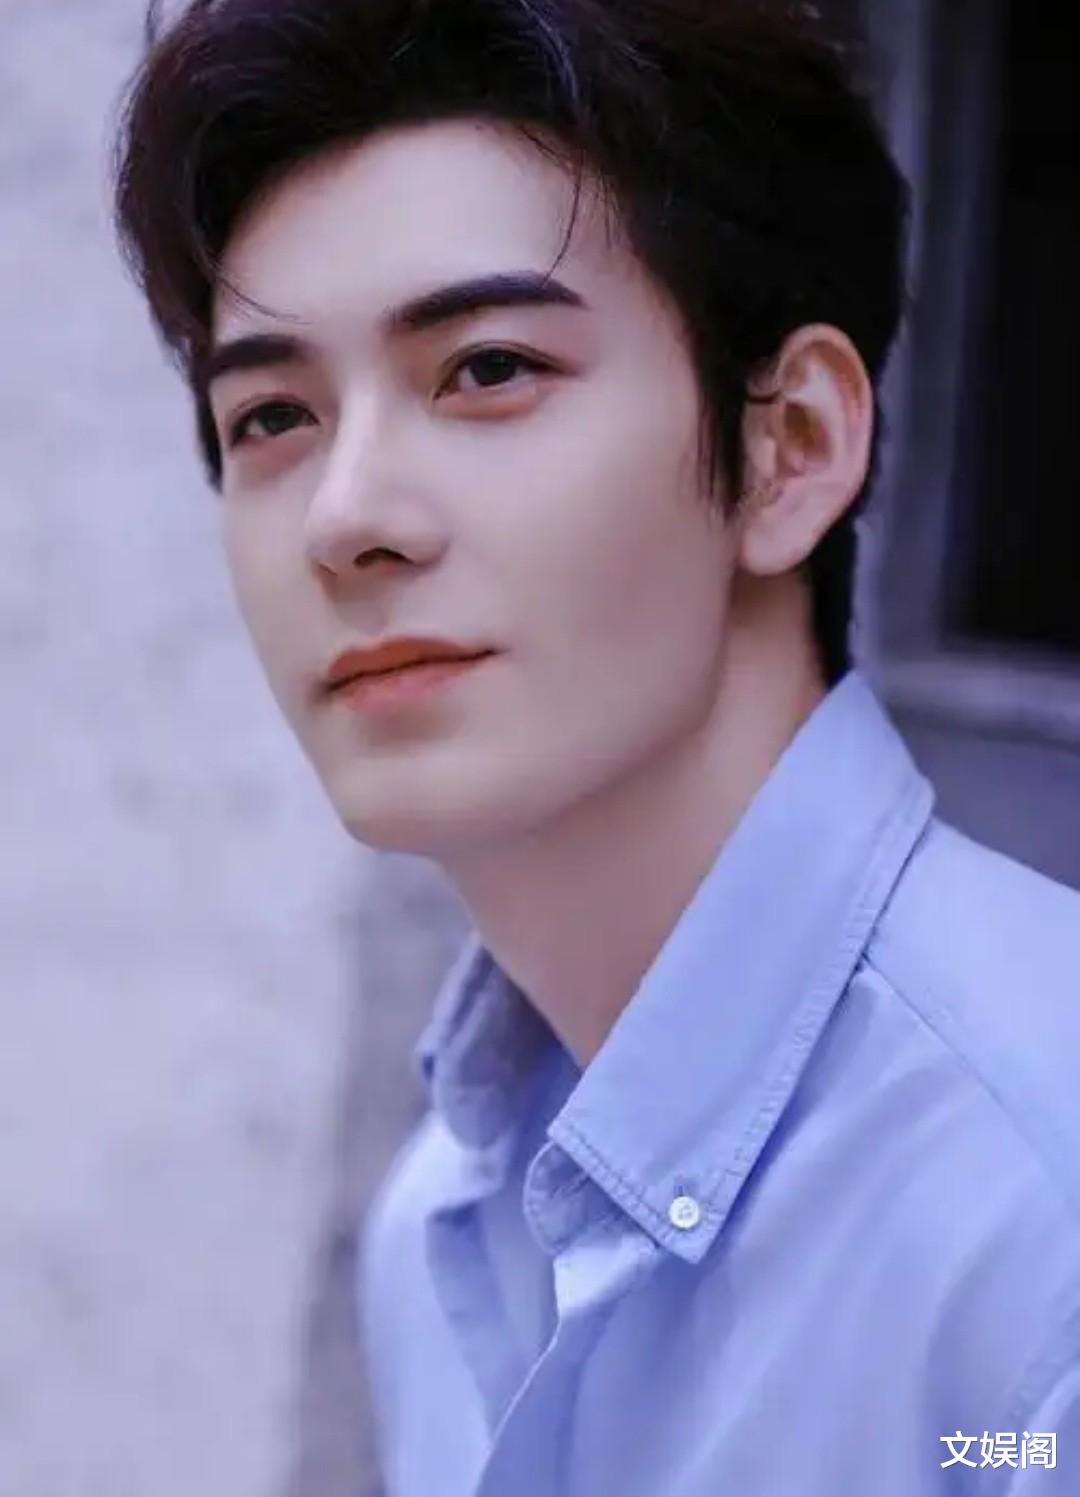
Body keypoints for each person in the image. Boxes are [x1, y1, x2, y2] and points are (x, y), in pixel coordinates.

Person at [111, 1, 1080, 1492]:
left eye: (489, 367)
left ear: (792, 446)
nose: (346, 516)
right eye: (273, 415)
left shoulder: (1039, 1218)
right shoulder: (443, 1226)